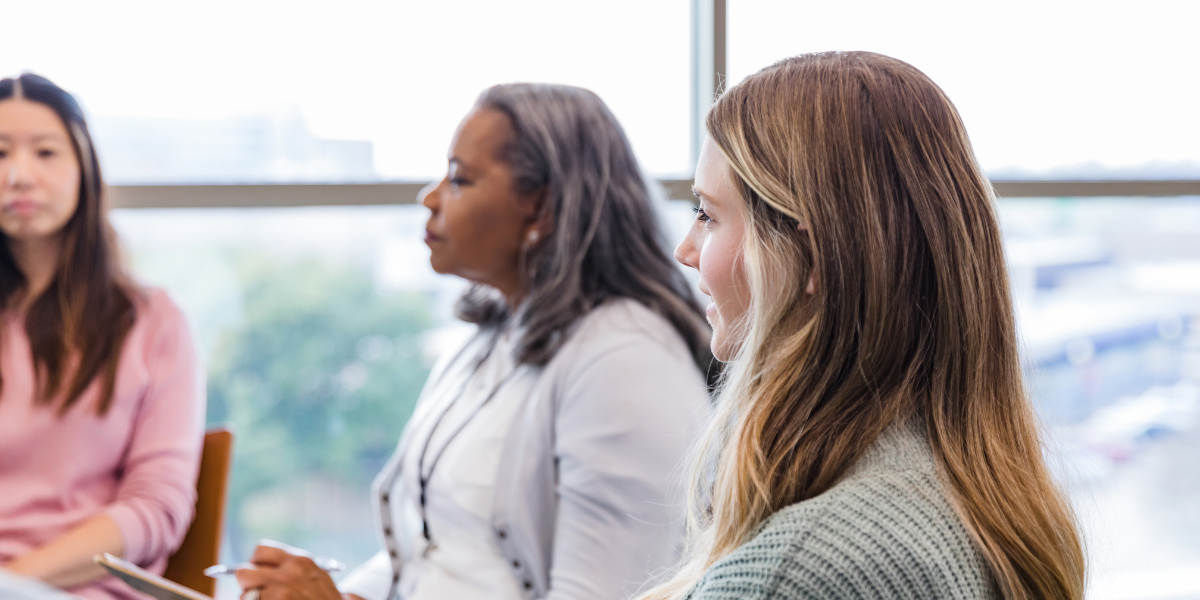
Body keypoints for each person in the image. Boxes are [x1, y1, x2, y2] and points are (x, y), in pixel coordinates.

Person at [235, 83, 713, 600]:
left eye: (460, 179)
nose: (431, 197)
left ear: (543, 209)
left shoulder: (626, 361)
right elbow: (436, 549)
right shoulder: (488, 336)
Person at [646, 52, 1086, 600]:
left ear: (809, 254)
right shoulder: (976, 490)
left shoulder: (800, 568)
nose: (685, 249)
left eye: (708, 214)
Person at [0, 73, 206, 600]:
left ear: (85, 167)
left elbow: (156, 508)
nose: (20, 175)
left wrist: (16, 582)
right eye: (0, 154)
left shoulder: (154, 321)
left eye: (46, 152)